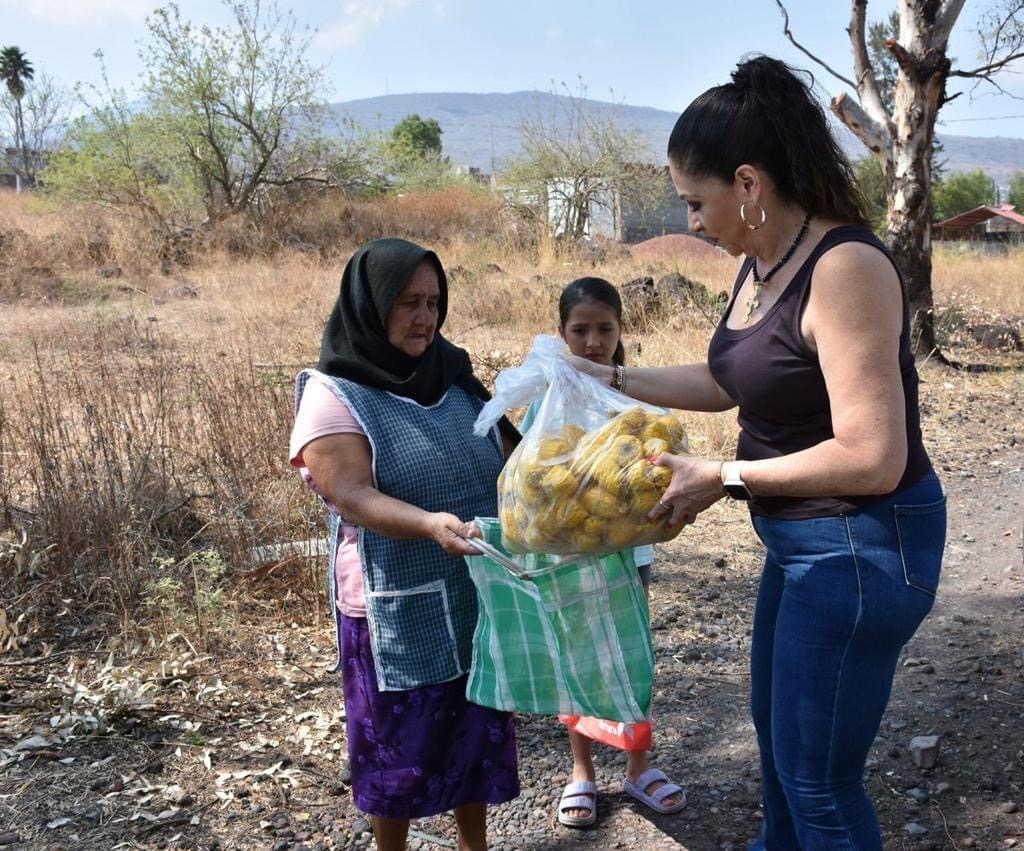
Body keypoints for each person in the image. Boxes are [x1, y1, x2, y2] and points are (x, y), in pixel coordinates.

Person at [565, 56, 946, 849]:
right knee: (779, 757)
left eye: (695, 201)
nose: (693, 221)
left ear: (747, 184)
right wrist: (610, 376)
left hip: (861, 543)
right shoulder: (762, 262)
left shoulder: (844, 269)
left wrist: (725, 475)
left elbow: (873, 453)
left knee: (818, 780)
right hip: (800, 541)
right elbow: (728, 375)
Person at [288, 238, 521, 851]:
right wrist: (427, 524)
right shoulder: (334, 392)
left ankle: (477, 845)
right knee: (399, 747)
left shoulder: (456, 376)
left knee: (474, 728)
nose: (424, 318)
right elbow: (351, 493)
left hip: (472, 584)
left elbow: (514, 460)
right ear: (371, 304)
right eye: (408, 303)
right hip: (392, 599)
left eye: (434, 302)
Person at [519, 277, 686, 828]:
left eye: (605, 329)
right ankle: (582, 772)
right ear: (561, 331)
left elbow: (658, 467)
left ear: (621, 330)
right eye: (580, 330)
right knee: (575, 655)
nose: (593, 341)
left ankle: (639, 767)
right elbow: (532, 472)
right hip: (566, 551)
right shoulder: (547, 396)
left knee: (633, 653)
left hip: (627, 552)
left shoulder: (632, 396)